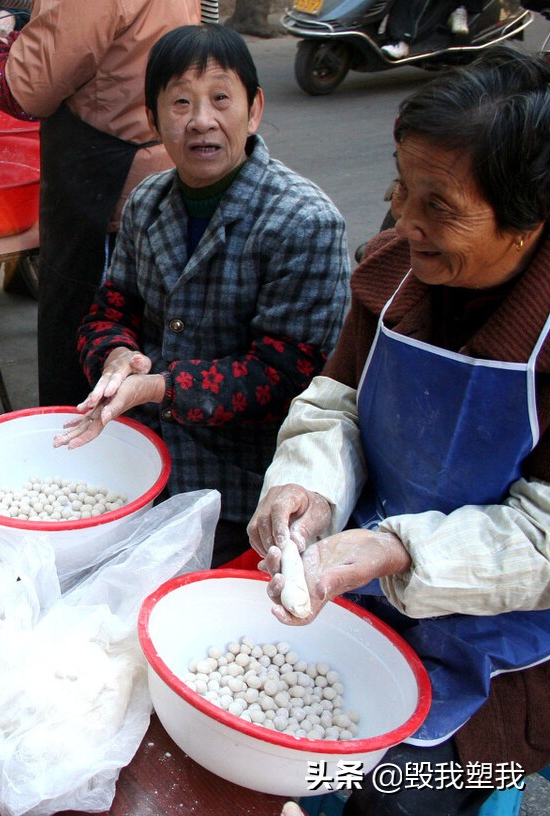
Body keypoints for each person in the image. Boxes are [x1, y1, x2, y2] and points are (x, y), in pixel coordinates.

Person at [249, 47, 550, 815]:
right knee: (267, 747)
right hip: (359, 587)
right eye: (401, 188)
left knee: (396, 794)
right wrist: (305, 490)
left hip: (507, 652)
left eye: (439, 206)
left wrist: (396, 549)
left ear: (528, 220)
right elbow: (334, 403)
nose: (404, 222)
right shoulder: (395, 276)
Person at [53, 24, 350, 568]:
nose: (201, 121)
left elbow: (285, 373)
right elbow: (110, 308)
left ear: (253, 109)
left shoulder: (303, 221)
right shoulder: (148, 201)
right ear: (153, 118)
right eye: (181, 103)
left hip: (243, 486)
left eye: (220, 99)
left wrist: (160, 388)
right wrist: (115, 355)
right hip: (142, 461)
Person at [0, 0, 201, 408]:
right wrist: (13, 40)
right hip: (147, 159)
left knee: (91, 326)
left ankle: (80, 441)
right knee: (138, 328)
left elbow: (24, 90)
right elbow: (93, 53)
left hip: (108, 176)